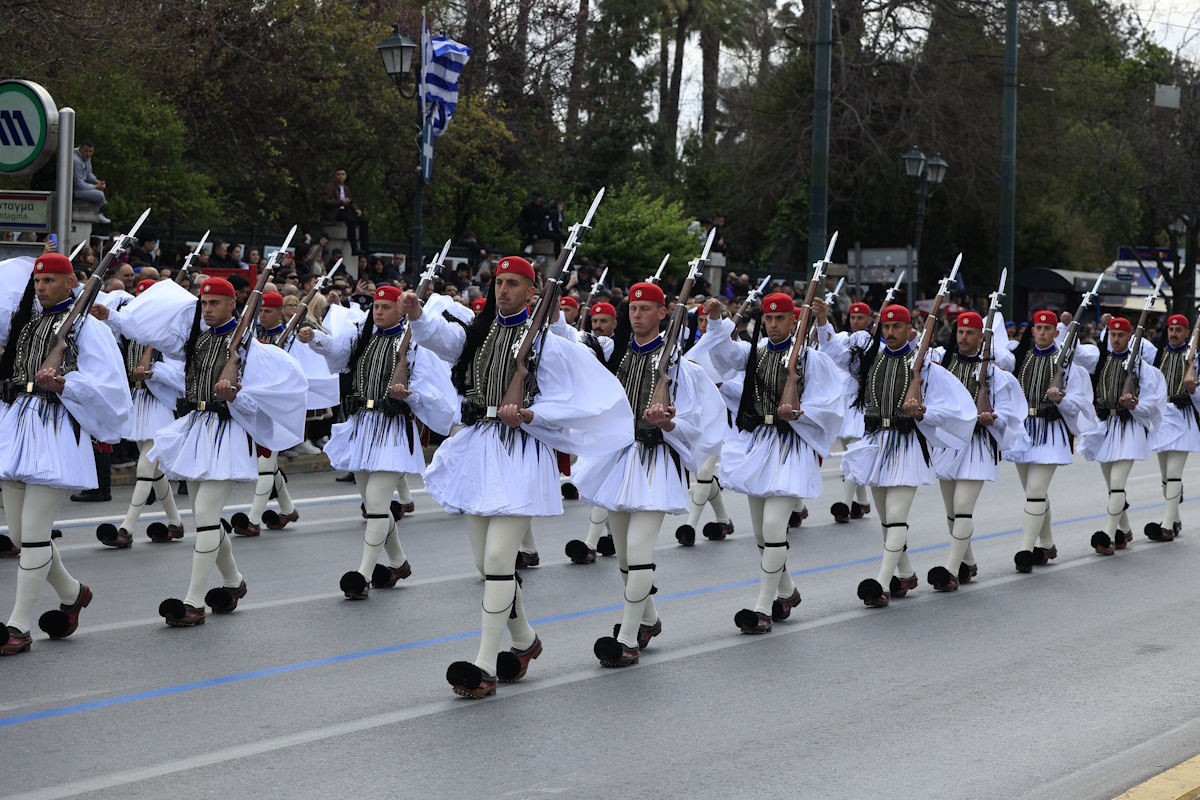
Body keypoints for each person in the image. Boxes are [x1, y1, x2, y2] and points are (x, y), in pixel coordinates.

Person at [400, 255, 632, 698]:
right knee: (486, 564)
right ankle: (524, 640)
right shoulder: (480, 332)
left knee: (499, 562)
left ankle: (484, 663)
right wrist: (416, 313)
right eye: (497, 282)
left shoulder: (548, 343)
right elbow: (442, 339)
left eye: (512, 283)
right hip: (478, 449)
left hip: (521, 452)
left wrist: (531, 412)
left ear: (533, 291)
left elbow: (575, 397)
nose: (501, 290)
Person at [116, 278, 308, 627]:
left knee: (204, 514)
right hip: (198, 427)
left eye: (214, 303)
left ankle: (193, 602)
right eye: (204, 303)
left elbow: (270, 396)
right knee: (203, 519)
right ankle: (234, 583)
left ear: (232, 305)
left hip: (229, 433)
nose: (206, 309)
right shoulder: (199, 339)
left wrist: (236, 396)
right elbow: (157, 343)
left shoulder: (251, 345)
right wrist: (111, 316)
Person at [571, 282, 723, 660]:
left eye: (645, 308)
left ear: (662, 313)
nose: (637, 315)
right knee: (623, 556)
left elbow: (699, 423)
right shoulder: (615, 356)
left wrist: (669, 424)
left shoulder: (679, 368)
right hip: (618, 459)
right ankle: (648, 618)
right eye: (633, 308)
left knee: (639, 551)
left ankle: (625, 639)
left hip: (656, 462)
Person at [0, 253, 130, 654]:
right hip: (17, 426)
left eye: (51, 281)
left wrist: (64, 385)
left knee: (35, 532)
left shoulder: (88, 329)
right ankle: (73, 594)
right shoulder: (28, 325)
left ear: (72, 281)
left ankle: (18, 625)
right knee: (21, 534)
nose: (41, 287)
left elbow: (111, 388)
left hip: (55, 431)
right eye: (38, 281)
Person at [697, 293, 844, 633]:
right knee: (763, 535)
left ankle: (763, 608)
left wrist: (802, 412)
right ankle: (788, 592)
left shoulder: (810, 359)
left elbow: (832, 402)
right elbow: (723, 357)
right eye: (769, 319)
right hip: (759, 445)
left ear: (794, 320)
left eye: (780, 319)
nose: (774, 325)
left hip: (792, 446)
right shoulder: (755, 353)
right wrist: (717, 319)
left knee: (775, 529)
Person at [302, 285, 457, 598]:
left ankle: (363, 574)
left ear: (401, 310)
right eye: (376, 306)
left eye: (386, 307)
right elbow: (336, 351)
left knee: (375, 504)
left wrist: (411, 395)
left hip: (394, 427)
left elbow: (434, 387)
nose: (379, 311)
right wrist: (314, 339)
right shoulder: (363, 336)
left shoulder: (414, 345)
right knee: (373, 504)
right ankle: (398, 561)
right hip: (363, 425)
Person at [828, 304, 976, 608]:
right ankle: (906, 573)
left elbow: (958, 408)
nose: (891, 332)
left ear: (910, 329)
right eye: (886, 327)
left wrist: (925, 412)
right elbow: (833, 358)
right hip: (876, 445)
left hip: (908, 444)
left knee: (896, 518)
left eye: (897, 327)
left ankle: (880, 584)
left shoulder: (924, 367)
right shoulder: (873, 360)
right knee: (885, 520)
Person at [927, 311, 1027, 589]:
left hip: (977, 446)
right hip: (948, 445)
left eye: (970, 333)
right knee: (951, 513)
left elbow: (1010, 410)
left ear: (982, 337)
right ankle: (968, 561)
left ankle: (950, 569)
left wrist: (994, 417)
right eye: (960, 331)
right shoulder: (943, 368)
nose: (963, 337)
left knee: (962, 508)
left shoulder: (996, 375)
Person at [90, 279, 187, 547]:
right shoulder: (131, 332)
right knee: (154, 471)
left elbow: (182, 377)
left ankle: (126, 529)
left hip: (159, 404)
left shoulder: (171, 335)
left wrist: (155, 372)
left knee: (145, 465)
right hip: (139, 402)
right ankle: (176, 524)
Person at [1002, 311, 1100, 572]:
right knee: (1034, 493)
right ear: (1031, 331)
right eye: (1038, 328)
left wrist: (1061, 400)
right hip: (1024, 431)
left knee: (1034, 492)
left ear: (1057, 333)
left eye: (1048, 328)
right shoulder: (1021, 360)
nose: (1043, 332)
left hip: (1051, 431)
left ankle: (1025, 550)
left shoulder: (1067, 365)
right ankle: (1046, 543)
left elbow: (1082, 401)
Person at [1079, 316, 1165, 555]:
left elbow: (1154, 402)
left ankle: (1107, 535)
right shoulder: (1101, 360)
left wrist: (1135, 405)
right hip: (1106, 427)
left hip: (1129, 428)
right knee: (1111, 486)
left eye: (1121, 336)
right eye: (1113, 335)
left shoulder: (1141, 368)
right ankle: (1124, 530)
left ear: (1130, 338)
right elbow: (1074, 356)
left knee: (1117, 484)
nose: (1116, 340)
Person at [820, 300, 876, 524]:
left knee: (854, 455)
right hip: (843, 402)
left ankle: (844, 504)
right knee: (850, 454)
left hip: (861, 403)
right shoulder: (843, 338)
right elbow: (828, 347)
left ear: (869, 320)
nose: (855, 321)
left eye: (860, 318)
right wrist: (822, 321)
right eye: (852, 317)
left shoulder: (874, 343)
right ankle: (862, 502)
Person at [1147, 314, 1200, 539]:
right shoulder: (1160, 354)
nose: (1174, 333)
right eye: (1171, 329)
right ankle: (1175, 518)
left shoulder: (1195, 359)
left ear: (1188, 334)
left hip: (1183, 418)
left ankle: (1167, 525)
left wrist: (1192, 390)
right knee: (1165, 477)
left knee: (1174, 474)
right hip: (1162, 418)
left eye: (1179, 330)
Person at [321, 168, 370, 255]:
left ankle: (365, 247)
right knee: (351, 221)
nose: (341, 177)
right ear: (335, 176)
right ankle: (354, 248)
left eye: (343, 174)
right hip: (335, 212)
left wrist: (356, 210)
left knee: (363, 221)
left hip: (345, 211)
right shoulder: (330, 187)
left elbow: (350, 202)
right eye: (338, 174)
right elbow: (326, 201)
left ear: (346, 176)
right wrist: (340, 202)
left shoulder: (346, 188)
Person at [72, 141, 110, 224]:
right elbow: (79, 185)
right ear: (80, 149)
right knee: (99, 195)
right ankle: (97, 213)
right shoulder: (76, 161)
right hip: (74, 190)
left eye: (90, 151)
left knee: (99, 191)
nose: (88, 154)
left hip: (81, 187)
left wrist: (97, 182)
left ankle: (97, 212)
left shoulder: (86, 158)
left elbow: (88, 174)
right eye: (86, 151)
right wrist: (96, 187)